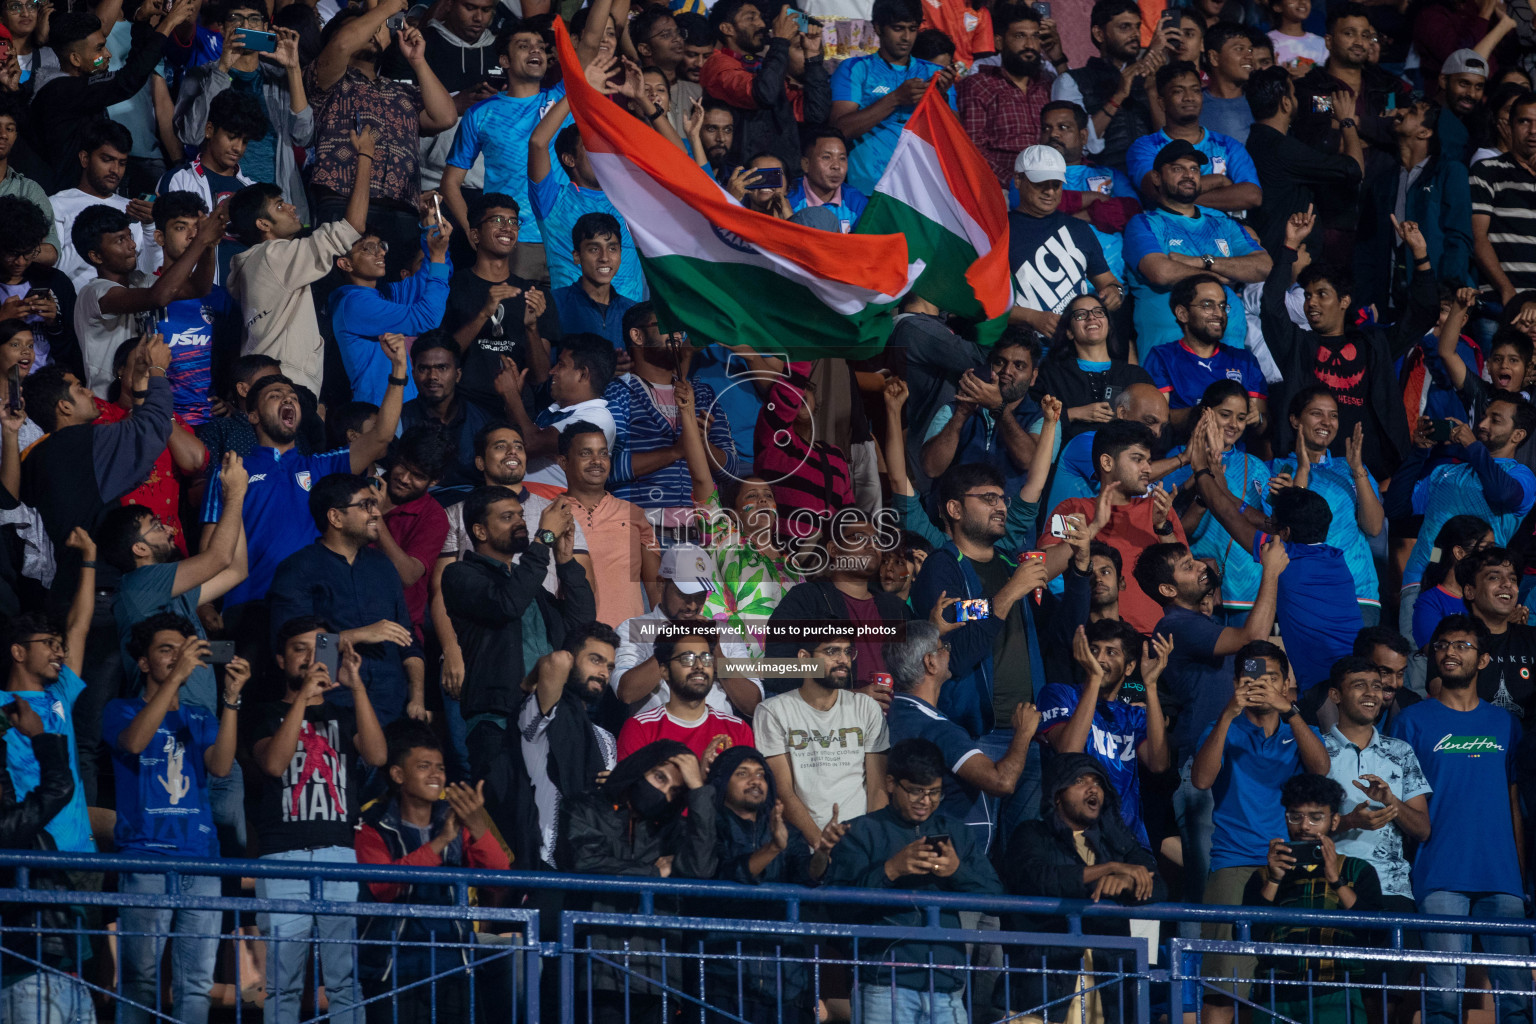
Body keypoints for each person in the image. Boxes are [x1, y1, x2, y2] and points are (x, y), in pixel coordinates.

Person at [200, 349, 403, 657]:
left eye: (292, 395)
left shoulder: (320, 466)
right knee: (250, 697)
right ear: (252, 415)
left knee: (320, 691)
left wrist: (398, 372)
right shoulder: (231, 471)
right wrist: (203, 604)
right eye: (274, 395)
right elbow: (210, 545)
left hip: (317, 608)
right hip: (249, 604)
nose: (287, 399)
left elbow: (381, 437)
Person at [108, 614, 248, 1024]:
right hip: (145, 859)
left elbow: (221, 767)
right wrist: (175, 679)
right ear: (144, 663)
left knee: (196, 984)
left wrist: (232, 699)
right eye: (166, 650)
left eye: (183, 650)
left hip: (201, 861)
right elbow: (134, 743)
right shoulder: (121, 709)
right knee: (141, 980)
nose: (176, 658)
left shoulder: (200, 717)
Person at [1389, 615, 1529, 1024]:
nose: (1450, 652)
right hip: (1439, 874)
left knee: (1517, 1002)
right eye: (1443, 645)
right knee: (1443, 1003)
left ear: (1483, 660)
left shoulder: (1505, 723)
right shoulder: (1411, 722)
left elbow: (1512, 800)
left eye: (1463, 645)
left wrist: (1520, 876)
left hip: (1502, 879)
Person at [1133, 540, 1285, 907]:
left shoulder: (1204, 624)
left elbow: (1250, 656)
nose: (1200, 566)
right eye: (1187, 566)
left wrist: (1261, 664)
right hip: (1201, 764)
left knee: (1236, 876)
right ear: (1169, 590)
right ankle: (1194, 962)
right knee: (1207, 886)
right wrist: (1271, 572)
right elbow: (1254, 638)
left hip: (1234, 760)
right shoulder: (1177, 625)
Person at [251, 619, 388, 1024]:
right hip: (281, 858)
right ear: (280, 660)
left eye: (318, 648)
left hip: (336, 854)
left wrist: (356, 685)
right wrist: (302, 701)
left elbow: (379, 757)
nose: (311, 657)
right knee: (283, 983)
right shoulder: (265, 714)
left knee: (344, 980)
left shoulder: (344, 716)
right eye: (299, 649)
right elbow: (275, 764)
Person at [1191, 641, 1331, 1016]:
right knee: (1223, 984)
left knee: (1286, 981)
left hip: (1291, 862)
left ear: (1287, 683)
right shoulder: (1223, 727)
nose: (1264, 686)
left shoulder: (1299, 729)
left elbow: (1321, 770)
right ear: (1238, 683)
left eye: (1273, 678)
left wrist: (1292, 712)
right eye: (1255, 678)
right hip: (1233, 862)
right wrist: (1226, 714)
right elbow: (1202, 780)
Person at [823, 737, 1004, 1024]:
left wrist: (957, 871)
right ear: (892, 783)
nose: (926, 802)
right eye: (917, 791)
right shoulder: (861, 831)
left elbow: (997, 900)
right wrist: (890, 870)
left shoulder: (956, 833)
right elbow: (837, 909)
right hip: (883, 986)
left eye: (935, 792)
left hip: (947, 988)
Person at [1188, 413, 1363, 691]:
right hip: (1354, 675)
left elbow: (1226, 515)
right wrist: (1222, 483)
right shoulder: (1335, 557)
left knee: (1251, 660)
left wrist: (1199, 468)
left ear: (1285, 534)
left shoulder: (1286, 558)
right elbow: (1257, 519)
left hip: (1326, 689)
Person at [1263, 206, 1437, 480]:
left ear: (1344, 301)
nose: (1312, 303)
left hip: (1370, 473)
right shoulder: (1297, 344)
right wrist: (1290, 246)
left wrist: (1420, 255)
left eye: (1322, 294)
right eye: (1307, 296)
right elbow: (1272, 308)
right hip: (1308, 472)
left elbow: (1424, 313)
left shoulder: (1374, 344)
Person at [354, 721, 510, 1024]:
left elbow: (499, 879)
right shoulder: (372, 824)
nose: (436, 775)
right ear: (398, 774)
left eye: (440, 767)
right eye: (424, 766)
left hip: (453, 965)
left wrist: (477, 826)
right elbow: (382, 886)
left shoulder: (454, 820)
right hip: (393, 969)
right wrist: (440, 843)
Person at [441, 485, 593, 776]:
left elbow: (581, 624)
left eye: (521, 515)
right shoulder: (460, 575)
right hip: (498, 723)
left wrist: (564, 561)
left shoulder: (528, 586)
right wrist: (544, 538)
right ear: (481, 531)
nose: (521, 522)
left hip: (553, 718)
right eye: (507, 517)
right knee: (503, 818)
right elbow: (507, 605)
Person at [559, 740, 717, 1020]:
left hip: (656, 974)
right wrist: (654, 873)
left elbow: (702, 869)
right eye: (659, 778)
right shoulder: (583, 806)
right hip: (597, 970)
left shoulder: (675, 831)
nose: (664, 793)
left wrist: (699, 790)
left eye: (675, 791)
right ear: (640, 768)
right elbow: (584, 862)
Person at [1004, 752, 1166, 1024]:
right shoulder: (1033, 833)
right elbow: (1040, 878)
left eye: (1098, 783)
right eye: (1080, 780)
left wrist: (1126, 882)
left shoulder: (1116, 842)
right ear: (1057, 793)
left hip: (1107, 990)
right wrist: (1107, 870)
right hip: (1044, 987)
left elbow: (1158, 887)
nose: (1093, 788)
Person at [302, 0, 455, 268]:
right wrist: (386, 9)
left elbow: (446, 116)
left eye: (379, 27)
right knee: (342, 294)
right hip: (344, 205)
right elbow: (340, 46)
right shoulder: (326, 80)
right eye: (364, 26)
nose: (374, 30)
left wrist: (418, 62)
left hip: (402, 212)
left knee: (396, 297)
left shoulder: (402, 91)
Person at [225, 124, 373, 397]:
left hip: (270, 383)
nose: (291, 208)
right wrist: (365, 157)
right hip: (287, 383)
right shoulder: (273, 256)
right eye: (279, 206)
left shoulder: (253, 263)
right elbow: (353, 227)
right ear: (263, 224)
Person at [266, 473, 426, 727]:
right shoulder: (298, 570)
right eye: (366, 505)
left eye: (375, 504)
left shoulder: (383, 566)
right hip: (332, 707)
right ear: (335, 517)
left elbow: (408, 641)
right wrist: (361, 634)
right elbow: (294, 649)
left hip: (393, 707)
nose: (376, 513)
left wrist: (417, 698)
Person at [886, 620, 1042, 854]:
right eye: (943, 648)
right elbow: (1002, 782)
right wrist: (1023, 733)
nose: (948, 653)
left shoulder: (898, 713)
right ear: (930, 662)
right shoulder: (936, 729)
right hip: (953, 859)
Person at [704, 744, 833, 1023]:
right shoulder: (707, 828)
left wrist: (822, 853)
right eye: (743, 773)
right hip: (724, 981)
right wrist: (773, 848)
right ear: (723, 781)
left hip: (785, 982)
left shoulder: (788, 831)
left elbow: (807, 874)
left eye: (761, 774)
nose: (755, 781)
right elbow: (722, 879)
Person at [1243, 773, 1384, 1024]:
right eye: (1295, 817)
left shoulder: (1357, 870)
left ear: (1334, 821)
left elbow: (1375, 933)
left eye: (1316, 817)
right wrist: (1274, 880)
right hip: (1277, 992)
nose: (1305, 826)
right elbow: (1247, 937)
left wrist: (1336, 880)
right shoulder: (1264, 874)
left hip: (1338, 990)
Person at [1392, 392, 1536, 624]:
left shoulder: (1522, 477)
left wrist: (1472, 446)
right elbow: (1397, 508)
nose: (1482, 424)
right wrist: (1419, 452)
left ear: (1517, 435)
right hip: (1422, 579)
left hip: (1477, 589)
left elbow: (1501, 492)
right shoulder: (1446, 472)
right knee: (1418, 658)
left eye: (1495, 420)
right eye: (1484, 416)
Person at [483, 628, 619, 871]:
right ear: (571, 659)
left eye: (609, 666)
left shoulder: (606, 739)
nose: (603, 673)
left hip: (588, 862)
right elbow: (558, 661)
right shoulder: (539, 716)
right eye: (595, 660)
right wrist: (528, 682)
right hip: (543, 861)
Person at [1123, 138, 1271, 358]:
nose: (1188, 174)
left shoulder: (1224, 224)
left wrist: (1204, 262)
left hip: (1230, 354)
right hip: (1171, 357)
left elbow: (1264, 266)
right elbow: (1161, 272)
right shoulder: (1144, 223)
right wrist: (1218, 277)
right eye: (1177, 169)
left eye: (1194, 169)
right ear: (1156, 177)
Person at [30, 2, 196, 192]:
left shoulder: (72, 87)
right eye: (99, 49)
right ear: (75, 59)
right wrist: (168, 24)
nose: (107, 54)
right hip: (64, 200)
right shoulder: (60, 91)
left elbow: (132, 70)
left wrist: (141, 23)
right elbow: (127, 80)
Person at [1042, 420, 1187, 633]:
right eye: (1138, 459)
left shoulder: (1158, 510)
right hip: (1096, 645)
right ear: (1107, 463)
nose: (1148, 468)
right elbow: (1041, 572)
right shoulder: (1074, 510)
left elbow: (1187, 582)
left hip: (1157, 643)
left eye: (1148, 460)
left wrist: (1162, 527)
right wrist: (1094, 526)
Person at [1, 528, 95, 855]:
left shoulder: (61, 693)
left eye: (60, 646)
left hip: (82, 856)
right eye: (49, 645)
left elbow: (79, 626)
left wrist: (90, 559)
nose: (59, 653)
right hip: (32, 852)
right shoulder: (1, 706)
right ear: (18, 652)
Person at [71, 198, 223, 398]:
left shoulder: (141, 280)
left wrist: (208, 247)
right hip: (109, 406)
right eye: (120, 240)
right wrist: (200, 240)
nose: (132, 245)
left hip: (143, 400)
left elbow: (197, 289)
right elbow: (158, 297)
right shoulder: (93, 293)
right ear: (96, 256)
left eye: (129, 236)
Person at [1040, 622, 1172, 848]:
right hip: (1075, 840)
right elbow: (1068, 752)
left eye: (1111, 652)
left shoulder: (1134, 716)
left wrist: (1150, 685)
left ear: (1129, 667)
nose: (1100, 659)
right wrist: (1093, 679)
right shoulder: (1059, 694)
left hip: (1129, 841)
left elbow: (1159, 764)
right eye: (1094, 650)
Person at [753, 632, 891, 847]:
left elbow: (877, 789)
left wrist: (872, 845)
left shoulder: (866, 707)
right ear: (804, 658)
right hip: (803, 847)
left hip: (860, 845)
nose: (843, 660)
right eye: (831, 651)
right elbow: (784, 792)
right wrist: (821, 848)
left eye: (847, 651)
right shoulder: (773, 711)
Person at [1260, 385, 1384, 625]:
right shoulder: (1275, 470)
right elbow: (1286, 532)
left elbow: (1375, 527)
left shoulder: (1350, 468)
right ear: (1295, 420)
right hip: (1306, 590)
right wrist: (1302, 474)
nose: (1327, 422)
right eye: (1317, 413)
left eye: (1334, 415)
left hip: (1359, 591)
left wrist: (1358, 470)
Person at [173, 9, 312, 223]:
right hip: (222, 198)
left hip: (277, 199)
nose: (247, 24)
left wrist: (293, 69)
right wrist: (223, 69)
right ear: (222, 27)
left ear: (266, 28)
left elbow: (304, 135)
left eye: (255, 19)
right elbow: (191, 135)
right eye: (236, 18)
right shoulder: (201, 75)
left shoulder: (280, 78)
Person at [606, 305, 739, 519]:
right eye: (667, 326)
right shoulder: (616, 392)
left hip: (697, 531)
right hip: (639, 529)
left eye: (679, 328)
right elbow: (606, 467)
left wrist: (700, 443)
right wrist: (676, 452)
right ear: (637, 335)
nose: (677, 334)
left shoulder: (702, 394)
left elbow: (731, 470)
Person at [1322, 656, 1431, 914]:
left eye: (1376, 686)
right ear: (1335, 695)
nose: (1372, 693)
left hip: (1391, 889)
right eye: (1359, 685)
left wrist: (1392, 801)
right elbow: (1297, 827)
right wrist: (1349, 822)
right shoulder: (1317, 749)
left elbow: (1423, 830)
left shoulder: (1401, 751)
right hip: (1330, 885)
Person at [0, 686, 82, 1023]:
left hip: (44, 966)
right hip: (25, 969)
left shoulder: (9, 818)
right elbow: (59, 787)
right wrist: (39, 735)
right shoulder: (7, 828)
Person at [1355, 100, 1472, 316]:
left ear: (1425, 132)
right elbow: (1366, 245)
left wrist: (1447, 289)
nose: (1399, 111)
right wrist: (1364, 299)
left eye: (1412, 111)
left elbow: (1458, 234)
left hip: (1432, 300)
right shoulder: (1382, 181)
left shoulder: (1450, 172)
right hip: (1384, 304)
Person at [440, 192, 553, 415]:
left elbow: (540, 376)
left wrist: (531, 327)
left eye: (513, 222)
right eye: (497, 220)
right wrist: (483, 314)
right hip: (465, 407)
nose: (508, 228)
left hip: (518, 408)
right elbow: (442, 357)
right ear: (475, 235)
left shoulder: (535, 293)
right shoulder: (452, 287)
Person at [527, 91, 647, 301]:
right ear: (569, 159)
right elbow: (538, 143)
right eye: (591, 148)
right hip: (574, 321)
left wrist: (645, 103)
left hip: (628, 323)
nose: (602, 154)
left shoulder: (629, 199)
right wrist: (575, 93)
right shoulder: (552, 201)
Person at [829, 0, 955, 194]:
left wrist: (941, 100)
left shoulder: (935, 73)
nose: (906, 37)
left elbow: (957, 137)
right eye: (898, 28)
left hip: (922, 195)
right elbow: (840, 129)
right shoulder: (856, 69)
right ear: (878, 28)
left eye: (912, 29)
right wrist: (895, 99)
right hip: (869, 193)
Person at [1242, 65, 1364, 257]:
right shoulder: (1280, 147)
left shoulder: (1257, 140)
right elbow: (1354, 169)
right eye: (1293, 94)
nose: (1297, 98)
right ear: (1286, 103)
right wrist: (1347, 122)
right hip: (1284, 257)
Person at [329, 218, 452, 405]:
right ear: (345, 264)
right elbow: (427, 318)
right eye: (369, 248)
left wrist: (432, 229)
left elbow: (435, 274)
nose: (381, 252)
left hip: (404, 407)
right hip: (377, 410)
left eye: (380, 245)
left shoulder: (385, 294)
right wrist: (437, 257)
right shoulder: (353, 303)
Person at [701, 0, 830, 177]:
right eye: (751, 18)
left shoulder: (764, 67)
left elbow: (815, 113)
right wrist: (780, 41)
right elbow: (763, 94)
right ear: (727, 28)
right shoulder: (718, 65)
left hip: (783, 175)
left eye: (761, 18)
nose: (761, 24)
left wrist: (813, 58)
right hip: (744, 178)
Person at [1007, 143, 1123, 337]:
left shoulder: (1078, 228)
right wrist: (1031, 317)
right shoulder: (1000, 234)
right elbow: (982, 304)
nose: (1050, 192)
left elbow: (1110, 282)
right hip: (1025, 351)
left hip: (1076, 347)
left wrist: (1114, 293)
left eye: (1056, 184)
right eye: (1040, 183)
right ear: (1018, 180)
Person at [143, 192, 238, 427]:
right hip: (160, 421)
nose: (194, 235)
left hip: (210, 423)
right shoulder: (142, 293)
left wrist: (229, 401)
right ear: (160, 237)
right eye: (180, 227)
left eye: (198, 228)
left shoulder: (219, 298)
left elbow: (232, 358)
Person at [1125, 61, 1261, 214]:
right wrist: (1219, 181)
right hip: (1170, 233)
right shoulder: (1145, 147)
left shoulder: (1227, 145)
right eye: (1178, 91)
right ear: (1161, 102)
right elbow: (1156, 190)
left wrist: (1180, 198)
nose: (1189, 97)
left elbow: (1252, 195)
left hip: (1226, 233)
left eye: (1195, 90)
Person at [1038, 101, 1143, 295]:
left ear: (1083, 136)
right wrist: (1095, 198)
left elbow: (1132, 210)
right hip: (1055, 291)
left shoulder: (1109, 174)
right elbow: (1038, 207)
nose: (1053, 134)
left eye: (1063, 127)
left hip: (1114, 286)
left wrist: (1080, 215)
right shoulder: (1029, 178)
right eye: (1046, 128)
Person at [918, 327, 1042, 490]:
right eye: (999, 362)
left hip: (1007, 513)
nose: (1006, 371)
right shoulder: (953, 410)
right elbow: (931, 469)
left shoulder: (1042, 419)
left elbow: (1029, 461)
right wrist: (961, 414)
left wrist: (999, 408)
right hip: (952, 511)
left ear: (1033, 377)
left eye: (1018, 366)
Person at [1049, 0, 1163, 175]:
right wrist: (1118, 96)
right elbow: (1075, 145)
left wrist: (1152, 90)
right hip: (1100, 180)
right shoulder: (1071, 81)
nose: (1135, 35)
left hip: (1151, 176)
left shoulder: (1150, 79)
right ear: (1099, 34)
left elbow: (1165, 141)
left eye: (1137, 27)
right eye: (1125, 27)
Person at [1141, 273, 1268, 428]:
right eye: (1207, 305)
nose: (1219, 314)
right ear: (1183, 314)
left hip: (1235, 451)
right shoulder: (1163, 358)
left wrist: (1258, 419)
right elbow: (1157, 420)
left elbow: (1263, 427)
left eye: (1222, 306)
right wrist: (1206, 413)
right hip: (1182, 449)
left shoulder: (1244, 360)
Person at [49, 119, 162, 292]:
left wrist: (149, 226)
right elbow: (54, 271)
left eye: (122, 163)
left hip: (127, 308)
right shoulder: (57, 204)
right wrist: (95, 235)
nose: (115, 170)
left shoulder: (132, 209)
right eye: (107, 159)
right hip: (75, 309)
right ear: (85, 158)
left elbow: (146, 273)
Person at [615, 628, 753, 765]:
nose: (699, 666)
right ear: (664, 671)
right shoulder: (640, 728)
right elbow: (630, 786)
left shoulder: (738, 728)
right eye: (687, 659)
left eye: (706, 658)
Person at [957, 3, 1052, 186]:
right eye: (1020, 36)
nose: (1030, 45)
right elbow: (973, 149)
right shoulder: (978, 85)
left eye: (1035, 36)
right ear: (999, 42)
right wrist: (1017, 183)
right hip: (998, 188)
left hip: (1049, 184)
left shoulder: (1047, 85)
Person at [374, 426, 452, 641]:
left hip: (398, 633)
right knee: (323, 671)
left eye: (418, 475)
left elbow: (407, 576)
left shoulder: (434, 517)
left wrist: (375, 518)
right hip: (337, 622)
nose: (405, 479)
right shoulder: (362, 487)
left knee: (410, 674)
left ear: (434, 481)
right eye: (403, 467)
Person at [400, 332, 499, 488]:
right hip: (419, 507)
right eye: (424, 368)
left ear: (458, 374)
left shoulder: (482, 421)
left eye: (442, 368)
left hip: (472, 507)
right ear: (413, 374)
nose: (432, 376)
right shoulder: (399, 420)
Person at [1455, 547, 1536, 722]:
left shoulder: (1532, 639)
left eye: (1513, 579)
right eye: (1494, 577)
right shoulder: (1453, 641)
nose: (1507, 584)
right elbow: (1449, 705)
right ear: (1470, 591)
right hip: (1472, 742)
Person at [1471, 92, 1536, 305]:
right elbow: (1477, 237)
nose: (1533, 131)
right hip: (1500, 301)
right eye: (1524, 122)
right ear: (1509, 125)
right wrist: (1506, 290)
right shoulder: (1487, 170)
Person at [159, 87, 263, 215]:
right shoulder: (178, 180)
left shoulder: (253, 190)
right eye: (231, 137)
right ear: (209, 130)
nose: (238, 148)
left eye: (245, 141)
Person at [551, 212, 636, 349]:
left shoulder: (632, 311)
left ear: (621, 254)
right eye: (594, 249)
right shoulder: (555, 303)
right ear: (577, 256)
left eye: (612, 249)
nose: (604, 257)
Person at [785, 127, 866, 232]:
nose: (836, 166)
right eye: (826, 157)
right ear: (806, 164)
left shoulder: (857, 201)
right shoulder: (789, 197)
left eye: (842, 158)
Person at [1201, 22, 1256, 143]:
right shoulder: (1194, 104)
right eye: (1239, 49)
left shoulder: (1259, 101)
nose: (1249, 56)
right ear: (1214, 58)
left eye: (1250, 49)